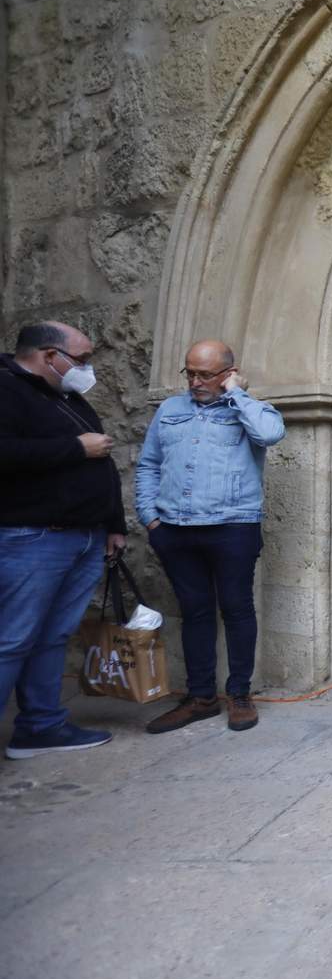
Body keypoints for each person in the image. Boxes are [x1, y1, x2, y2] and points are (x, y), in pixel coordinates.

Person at [138, 340, 285, 735]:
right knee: (195, 612)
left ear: (228, 373)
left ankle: (239, 693)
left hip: (233, 527)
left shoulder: (250, 409)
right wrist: (150, 518)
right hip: (175, 530)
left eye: (206, 374)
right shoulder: (170, 410)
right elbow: (149, 465)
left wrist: (236, 393)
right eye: (190, 372)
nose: (196, 381)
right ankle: (200, 697)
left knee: (237, 609)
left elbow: (271, 435)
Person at [0, 322, 123, 759]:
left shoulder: (66, 397)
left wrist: (114, 524)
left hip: (84, 537)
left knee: (53, 637)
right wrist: (75, 448)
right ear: (50, 356)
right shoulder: (8, 389)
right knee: (12, 639)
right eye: (83, 359)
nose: (87, 369)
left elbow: (102, 459)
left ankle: (39, 727)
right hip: (33, 538)